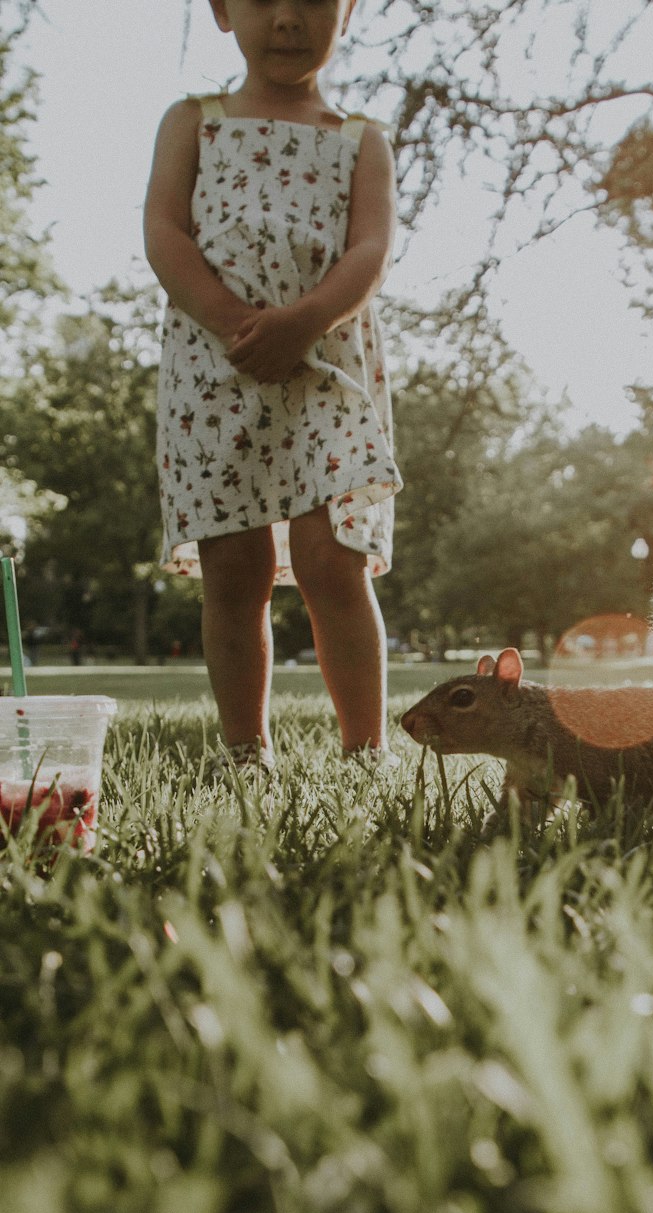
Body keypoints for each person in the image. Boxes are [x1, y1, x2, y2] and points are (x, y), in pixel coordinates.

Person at [144, 0, 402, 773]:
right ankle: (244, 750)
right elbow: (163, 231)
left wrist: (304, 322)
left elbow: (371, 248)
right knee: (235, 565)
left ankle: (365, 750)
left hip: (324, 365)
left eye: (315, 0)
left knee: (333, 561)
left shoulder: (361, 140)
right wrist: (231, 321)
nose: (288, 18)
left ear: (347, 11)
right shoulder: (194, 120)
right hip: (215, 366)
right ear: (223, 11)